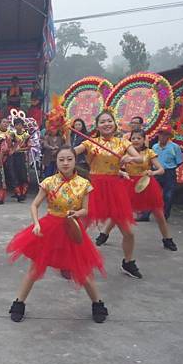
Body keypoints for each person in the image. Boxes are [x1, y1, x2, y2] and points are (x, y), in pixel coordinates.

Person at [7, 146, 108, 323]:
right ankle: (19, 303)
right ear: (57, 161)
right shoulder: (48, 182)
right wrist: (36, 223)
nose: (65, 163)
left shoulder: (84, 184)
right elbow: (34, 205)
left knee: (82, 271)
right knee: (35, 268)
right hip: (49, 227)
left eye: (69, 159)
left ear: (75, 160)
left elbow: (86, 209)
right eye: (61, 159)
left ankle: (97, 303)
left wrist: (77, 214)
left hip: (71, 228)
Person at [74, 110, 144, 279]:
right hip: (94, 188)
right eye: (102, 122)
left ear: (115, 123)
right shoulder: (90, 143)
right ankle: (70, 260)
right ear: (97, 126)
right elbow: (72, 152)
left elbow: (140, 159)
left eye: (109, 121)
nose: (106, 124)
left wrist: (130, 159)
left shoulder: (123, 143)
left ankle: (128, 262)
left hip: (114, 190)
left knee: (129, 232)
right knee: (79, 228)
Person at [97, 129, 178, 251]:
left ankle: (167, 239)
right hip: (128, 184)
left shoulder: (150, 153)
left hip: (146, 185)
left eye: (138, 138)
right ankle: (103, 234)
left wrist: (153, 172)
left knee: (159, 214)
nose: (136, 140)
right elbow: (113, 168)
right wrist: (120, 171)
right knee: (119, 212)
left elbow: (161, 169)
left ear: (144, 140)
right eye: (133, 138)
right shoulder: (125, 153)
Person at [146, 125, 183, 220]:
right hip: (156, 172)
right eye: (161, 134)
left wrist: (168, 168)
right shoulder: (154, 147)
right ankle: (145, 215)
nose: (163, 136)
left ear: (169, 136)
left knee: (168, 195)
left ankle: (164, 216)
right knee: (151, 194)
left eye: (165, 134)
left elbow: (179, 162)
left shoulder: (175, 147)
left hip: (169, 173)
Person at [9, 118, 30, 202]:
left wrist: (20, 149)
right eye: (16, 125)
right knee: (14, 174)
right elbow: (9, 145)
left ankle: (23, 193)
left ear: (22, 125)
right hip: (13, 157)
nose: (18, 126)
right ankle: (18, 194)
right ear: (14, 126)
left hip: (22, 156)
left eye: (20, 125)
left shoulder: (26, 135)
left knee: (23, 175)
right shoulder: (12, 135)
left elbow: (29, 147)